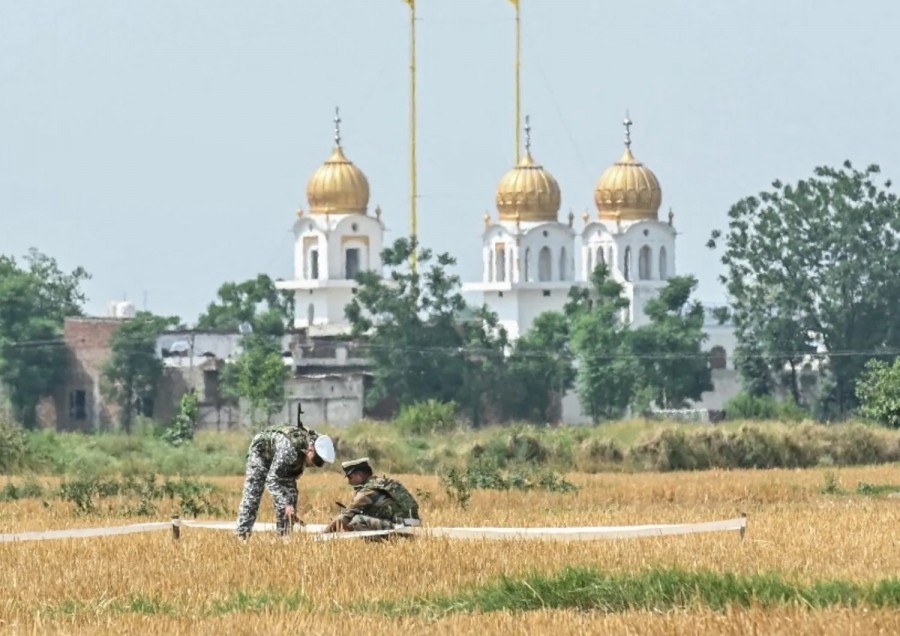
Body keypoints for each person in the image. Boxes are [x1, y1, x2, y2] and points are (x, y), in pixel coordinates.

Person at [235, 403, 335, 539]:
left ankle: (284, 536)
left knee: (291, 496)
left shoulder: (318, 441)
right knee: (253, 495)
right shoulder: (290, 450)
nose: (315, 464)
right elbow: (272, 480)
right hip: (261, 454)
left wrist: (289, 504)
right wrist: (284, 504)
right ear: (310, 450)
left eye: (320, 463)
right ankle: (242, 535)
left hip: (282, 456)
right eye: (316, 460)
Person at [322, 457, 420, 533]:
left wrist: (323, 534)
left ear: (359, 475)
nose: (349, 482)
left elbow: (344, 518)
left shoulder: (367, 491)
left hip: (400, 528)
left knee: (355, 520)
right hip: (413, 524)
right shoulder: (384, 483)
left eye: (350, 477)